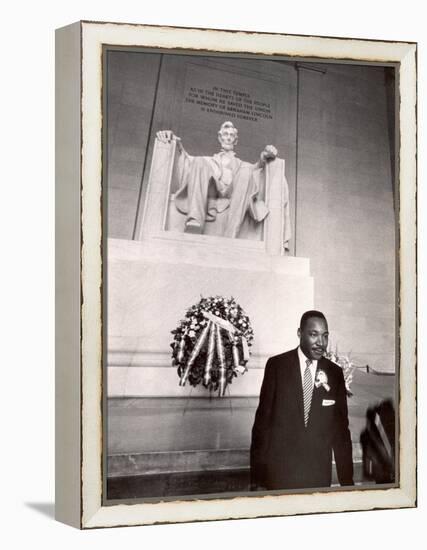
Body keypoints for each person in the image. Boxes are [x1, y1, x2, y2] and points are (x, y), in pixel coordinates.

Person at [250, 310, 354, 490]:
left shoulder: (335, 373)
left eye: (325, 336)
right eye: (313, 334)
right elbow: (262, 425)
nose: (321, 342)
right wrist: (257, 479)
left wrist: (347, 482)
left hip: (318, 476)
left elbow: (341, 432)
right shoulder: (277, 367)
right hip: (280, 474)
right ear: (300, 333)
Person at [156, 122, 279, 239]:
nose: (229, 138)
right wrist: (174, 140)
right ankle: (194, 220)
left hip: (233, 190)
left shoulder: (241, 164)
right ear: (220, 138)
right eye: (226, 135)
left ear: (235, 140)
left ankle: (231, 234)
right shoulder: (209, 160)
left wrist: (263, 157)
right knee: (198, 161)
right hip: (213, 188)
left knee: (246, 171)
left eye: (232, 135)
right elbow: (186, 159)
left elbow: (256, 169)